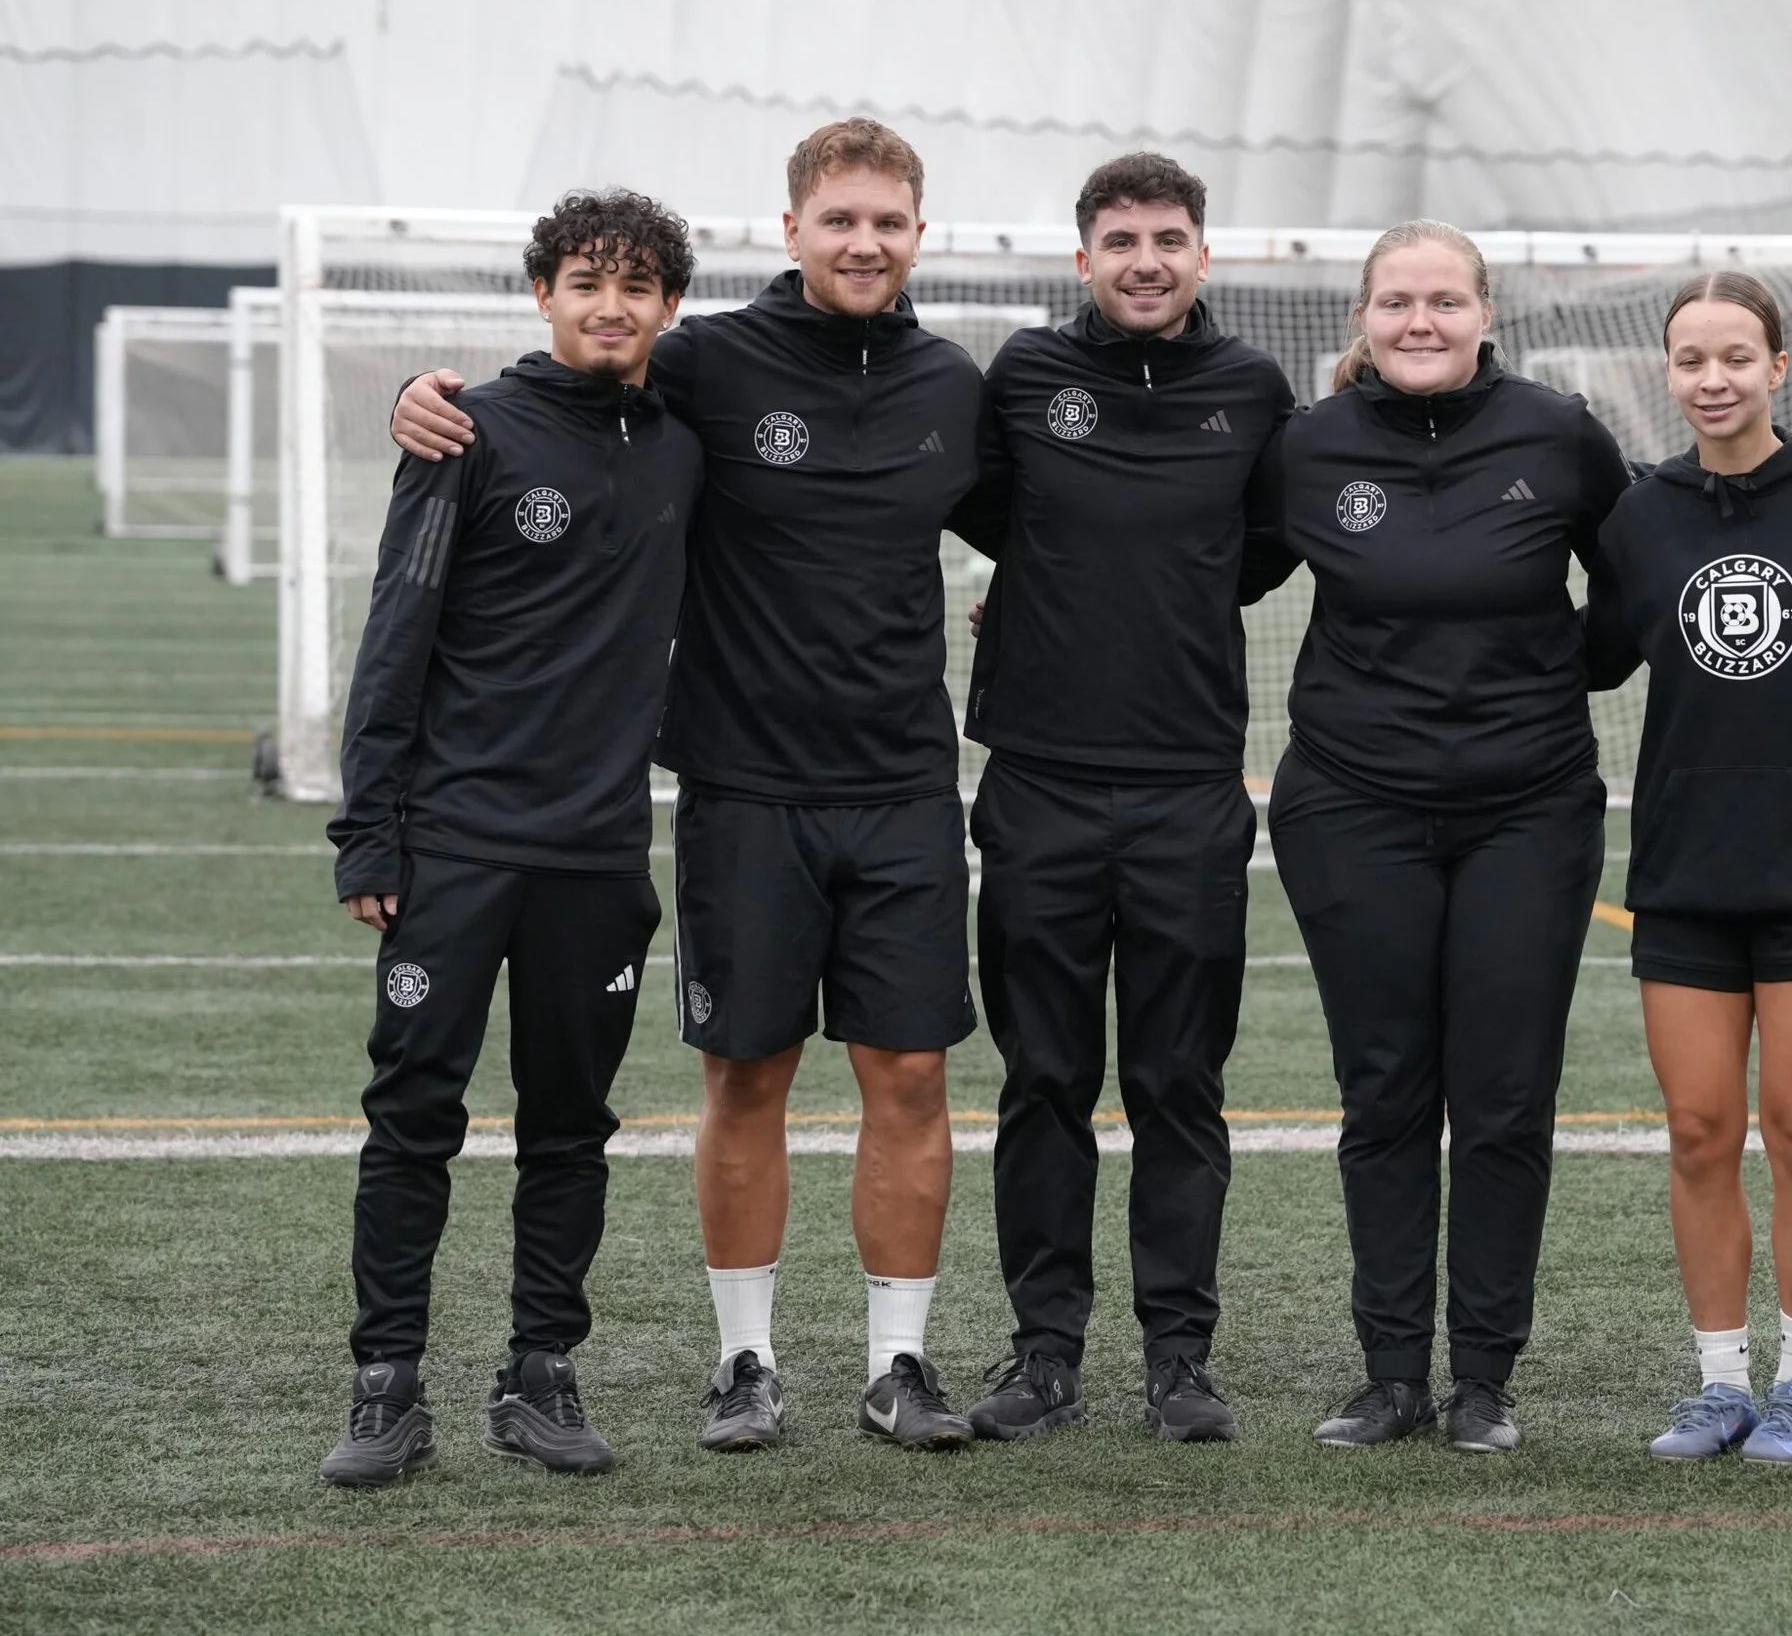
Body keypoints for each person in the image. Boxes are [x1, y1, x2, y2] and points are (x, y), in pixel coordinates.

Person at [388, 121, 990, 1452]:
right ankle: (746, 1365)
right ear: (790, 230)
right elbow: (566, 387)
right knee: (748, 1075)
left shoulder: (957, 384)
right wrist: (430, 404)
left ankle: (900, 1366)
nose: (863, 240)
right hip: (742, 786)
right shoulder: (706, 363)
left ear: (918, 235)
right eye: (838, 217)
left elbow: (1045, 524)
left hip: (902, 786)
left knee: (909, 1077)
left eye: (888, 220)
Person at [320, 191, 705, 1485]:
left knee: (569, 1121)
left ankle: (542, 1371)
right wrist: (369, 830)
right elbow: (397, 630)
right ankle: (386, 1384)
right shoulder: (464, 429)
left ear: (669, 306)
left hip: (597, 855)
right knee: (413, 1111)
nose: (613, 304)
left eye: (640, 285)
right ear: (543, 292)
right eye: (588, 280)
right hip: (457, 845)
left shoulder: (683, 443)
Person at [1244, 220, 1631, 1453]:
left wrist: (1532, 685)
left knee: (1506, 1093)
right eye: (1398, 301)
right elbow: (1208, 568)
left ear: (1483, 311)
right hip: (1352, 803)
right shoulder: (1305, 446)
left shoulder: (1559, 432)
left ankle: (1485, 1378)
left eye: (1444, 301)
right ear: (1362, 317)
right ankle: (1393, 1371)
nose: (1421, 321)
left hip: (1528, 805)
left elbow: (1628, 589)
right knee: (1387, 1086)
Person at [958, 155, 1297, 1442]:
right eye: (1119, 239)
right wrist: (1046, 591)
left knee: (1176, 1082)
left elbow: (1263, 548)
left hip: (1189, 789)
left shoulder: (1250, 390)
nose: (1144, 259)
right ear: (1082, 255)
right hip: (1037, 781)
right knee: (1043, 1077)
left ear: (1203, 254)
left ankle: (1179, 1358)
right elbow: (995, 513)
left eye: (1167, 237)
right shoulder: (1026, 377)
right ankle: (1044, 1351)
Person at [1585, 272, 1792, 1465]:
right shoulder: (1640, 514)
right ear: (1667, 373)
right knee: (1699, 1129)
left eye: (1734, 356)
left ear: (1779, 366)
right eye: (1688, 359)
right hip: (1682, 871)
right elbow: (1581, 654)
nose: (1710, 379)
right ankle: (1718, 1381)